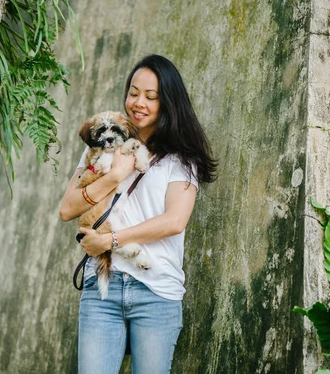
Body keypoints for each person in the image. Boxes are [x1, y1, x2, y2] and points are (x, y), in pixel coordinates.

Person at [59, 54, 217, 374]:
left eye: (151, 96)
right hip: (103, 290)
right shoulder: (102, 144)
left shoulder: (182, 159)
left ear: (168, 102)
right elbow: (67, 209)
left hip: (156, 292)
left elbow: (174, 221)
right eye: (133, 92)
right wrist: (115, 176)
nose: (138, 103)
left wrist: (110, 240)